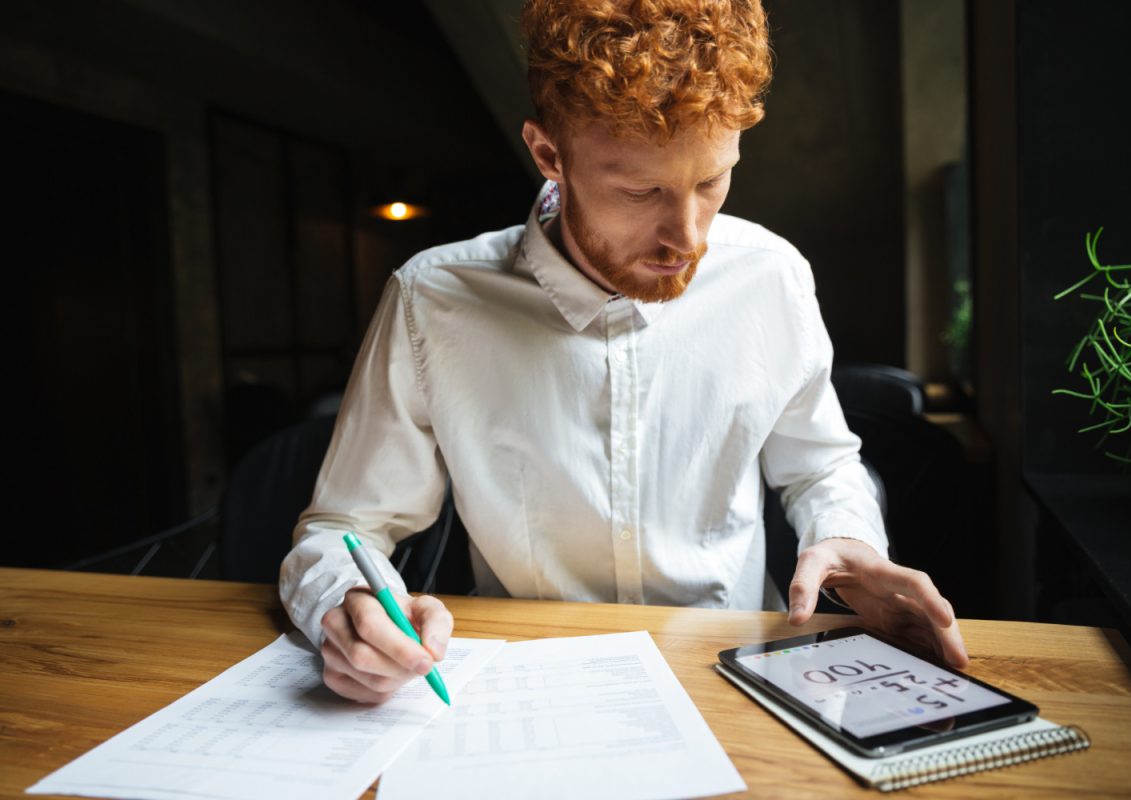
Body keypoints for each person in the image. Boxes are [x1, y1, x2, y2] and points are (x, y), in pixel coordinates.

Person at [279, 0, 968, 704]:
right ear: (549, 155)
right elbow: (344, 528)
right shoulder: (432, 299)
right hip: (531, 687)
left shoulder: (772, 275)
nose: (690, 236)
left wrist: (848, 537)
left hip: (734, 678)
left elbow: (821, 464)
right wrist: (350, 609)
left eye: (711, 181)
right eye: (642, 191)